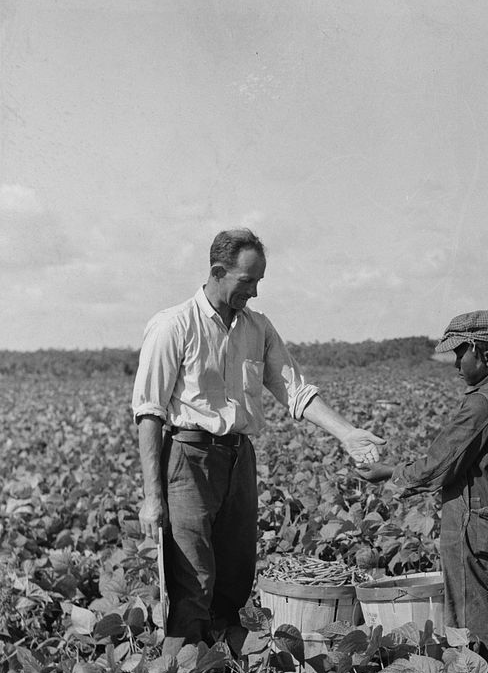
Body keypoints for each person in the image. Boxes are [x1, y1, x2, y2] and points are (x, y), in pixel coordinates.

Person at [131, 228, 386, 649]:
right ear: (217, 272)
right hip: (188, 459)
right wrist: (151, 496)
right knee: (193, 578)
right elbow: (149, 413)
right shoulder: (174, 325)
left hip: (237, 459)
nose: (254, 291)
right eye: (247, 281)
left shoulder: (257, 328)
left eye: (258, 282)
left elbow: (294, 389)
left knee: (235, 574)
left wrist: (347, 434)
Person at [354, 310, 488, 673]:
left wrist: (389, 472)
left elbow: (439, 465)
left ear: (485, 356)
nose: (455, 363)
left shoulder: (482, 404)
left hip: (474, 526)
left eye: (459, 354)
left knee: (475, 615)